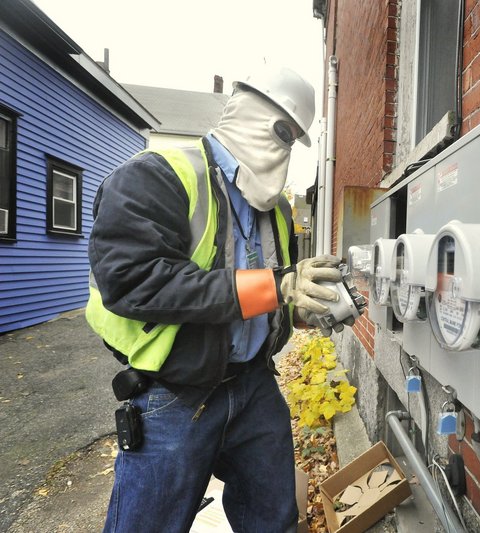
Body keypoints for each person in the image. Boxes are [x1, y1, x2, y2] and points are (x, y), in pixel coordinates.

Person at [86, 65, 350, 533]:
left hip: (253, 387)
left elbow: (267, 297)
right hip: (174, 395)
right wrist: (278, 286)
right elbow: (132, 280)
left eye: (294, 138)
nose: (285, 147)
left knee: (275, 519)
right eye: (282, 131)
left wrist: (299, 309)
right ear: (247, 110)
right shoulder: (157, 176)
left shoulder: (279, 209)